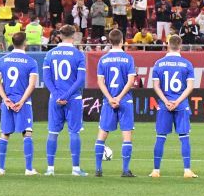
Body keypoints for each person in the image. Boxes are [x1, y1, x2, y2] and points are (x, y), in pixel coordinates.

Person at [43, 24, 90, 176]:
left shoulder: (50, 54)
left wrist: (57, 95)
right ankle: (75, 169)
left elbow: (46, 78)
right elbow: (80, 80)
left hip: (55, 99)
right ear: (74, 35)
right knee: (74, 132)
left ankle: (50, 169)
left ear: (60, 35)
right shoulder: (78, 54)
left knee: (52, 133)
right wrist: (66, 95)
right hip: (73, 99)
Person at [149, 34, 197, 178]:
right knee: (184, 137)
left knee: (160, 137)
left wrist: (166, 101)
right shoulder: (187, 64)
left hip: (165, 105)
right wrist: (177, 101)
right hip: (181, 104)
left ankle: (156, 170)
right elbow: (190, 87)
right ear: (180, 45)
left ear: (167, 44)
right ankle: (187, 170)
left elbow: (156, 86)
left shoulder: (159, 63)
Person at [0, 31, 38, 175]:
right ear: (25, 43)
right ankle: (28, 169)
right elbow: (32, 85)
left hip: (7, 102)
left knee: (5, 134)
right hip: (22, 103)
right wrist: (22, 101)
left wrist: (5, 98)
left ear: (12, 43)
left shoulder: (2, 60)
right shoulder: (31, 62)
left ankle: (1, 168)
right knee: (27, 133)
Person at [94, 29, 136, 177]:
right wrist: (119, 98)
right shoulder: (128, 59)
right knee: (127, 135)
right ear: (123, 40)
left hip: (108, 101)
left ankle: (98, 169)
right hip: (125, 100)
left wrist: (110, 98)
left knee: (102, 134)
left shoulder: (103, 60)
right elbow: (131, 81)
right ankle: (125, 170)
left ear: (109, 42)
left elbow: (100, 82)